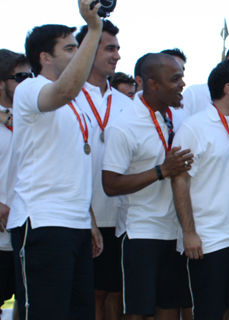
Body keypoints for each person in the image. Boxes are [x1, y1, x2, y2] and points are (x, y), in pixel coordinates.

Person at [6, 1, 104, 318]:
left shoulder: (80, 104)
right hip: (42, 222)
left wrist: (88, 219)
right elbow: (64, 91)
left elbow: (75, 164)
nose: (78, 53)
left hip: (76, 224)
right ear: (45, 58)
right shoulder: (30, 88)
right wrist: (93, 28)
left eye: (78, 46)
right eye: (69, 48)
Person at [171, 59, 229, 320]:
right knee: (208, 313)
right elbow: (180, 181)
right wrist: (189, 232)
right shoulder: (193, 127)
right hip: (209, 241)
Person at [102, 53, 193, 320]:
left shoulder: (179, 116)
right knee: (138, 311)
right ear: (153, 84)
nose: (182, 83)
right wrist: (161, 171)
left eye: (182, 77)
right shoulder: (124, 125)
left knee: (170, 307)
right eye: (175, 78)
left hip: (175, 231)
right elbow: (110, 184)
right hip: (141, 231)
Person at [75, 19, 134, 320]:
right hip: (79, 215)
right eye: (110, 48)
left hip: (120, 216)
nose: (117, 56)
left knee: (117, 293)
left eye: (118, 49)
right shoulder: (66, 97)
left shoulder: (127, 104)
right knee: (90, 295)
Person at [0, 49, 30, 320]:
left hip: (24, 233)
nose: (28, 82)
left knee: (25, 305)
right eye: (21, 76)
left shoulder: (32, 119)